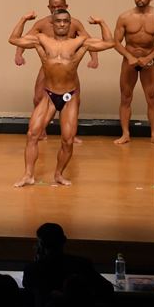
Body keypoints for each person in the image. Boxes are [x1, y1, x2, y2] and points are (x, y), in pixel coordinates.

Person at [9, 10, 114, 187]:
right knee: (32, 134)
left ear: (70, 23)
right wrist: (23, 19)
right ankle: (28, 175)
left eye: (66, 21)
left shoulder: (80, 42)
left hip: (69, 96)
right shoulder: (41, 39)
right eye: (58, 21)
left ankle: (58, 174)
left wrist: (102, 22)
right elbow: (14, 39)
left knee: (68, 140)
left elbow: (109, 43)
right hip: (49, 95)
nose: (62, 24)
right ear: (52, 23)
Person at [14, 0, 98, 142]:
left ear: (66, 6)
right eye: (53, 7)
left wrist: (94, 58)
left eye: (59, 6)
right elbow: (25, 38)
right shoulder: (42, 24)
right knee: (38, 97)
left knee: (74, 100)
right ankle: (41, 131)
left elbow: (88, 40)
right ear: (48, 7)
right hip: (48, 67)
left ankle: (71, 134)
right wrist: (19, 54)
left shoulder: (74, 23)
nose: (56, 9)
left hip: (68, 69)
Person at [21, 223, 113, 307]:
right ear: (64, 240)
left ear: (41, 245)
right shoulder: (82, 264)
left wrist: (38, 262)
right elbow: (107, 288)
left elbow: (28, 291)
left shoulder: (32, 269)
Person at [113, 0, 154, 144]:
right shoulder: (125, 17)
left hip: (148, 61)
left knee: (152, 98)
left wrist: (149, 57)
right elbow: (116, 42)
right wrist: (129, 56)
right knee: (125, 97)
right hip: (129, 61)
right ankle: (125, 134)